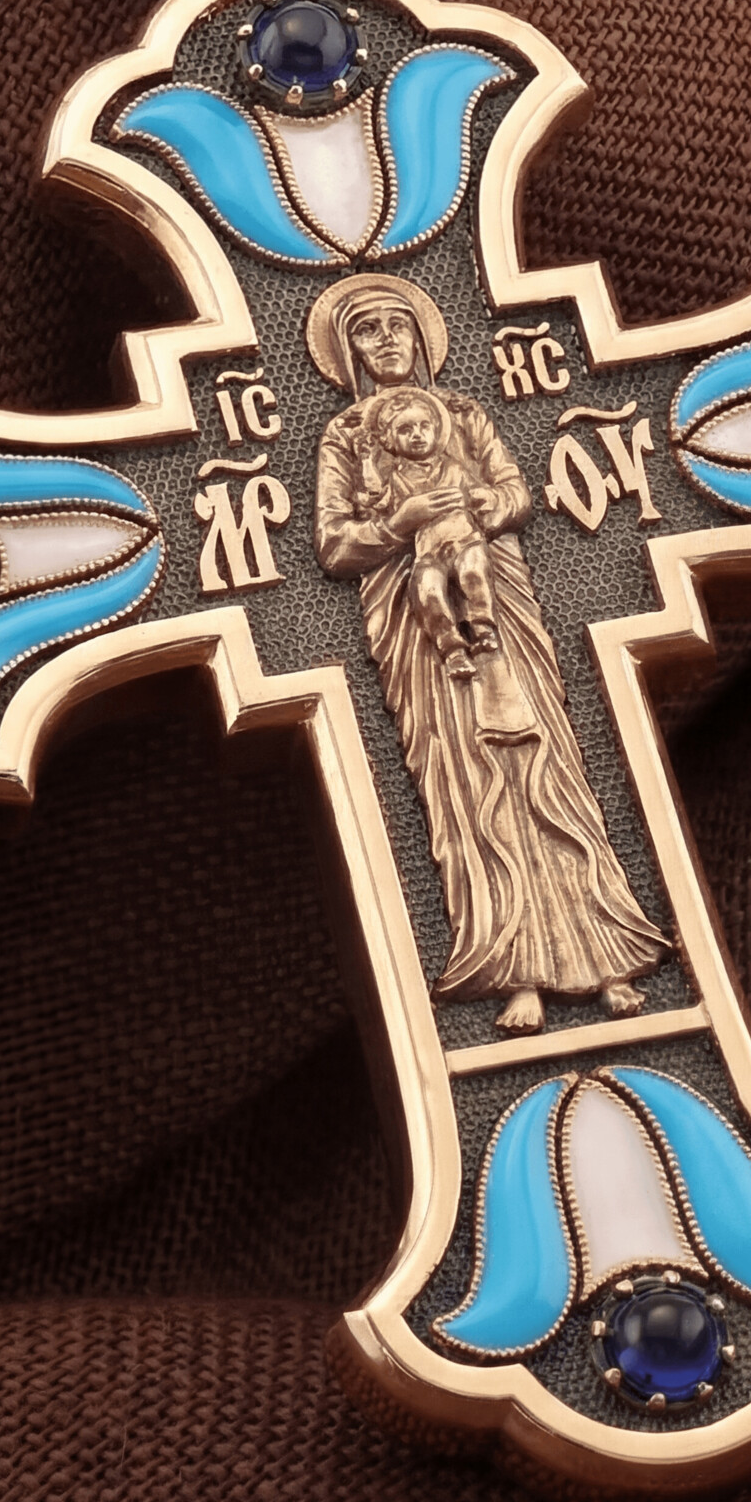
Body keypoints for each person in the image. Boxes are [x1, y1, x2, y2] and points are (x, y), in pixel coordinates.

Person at [309, 275, 670, 1035]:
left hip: (498, 605)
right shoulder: (344, 436)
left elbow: (515, 495)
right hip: (419, 632)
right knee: (467, 781)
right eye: (368, 330)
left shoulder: (466, 413)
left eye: (397, 324)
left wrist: (482, 504)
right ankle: (513, 969)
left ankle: (607, 953)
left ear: (421, 334)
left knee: (545, 764)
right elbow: (335, 546)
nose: (386, 340)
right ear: (347, 350)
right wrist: (401, 522)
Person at [360, 385, 500, 676]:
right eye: (405, 429)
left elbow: (479, 493)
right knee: (428, 592)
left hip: (465, 540)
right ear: (390, 441)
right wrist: (365, 462)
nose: (417, 434)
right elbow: (378, 501)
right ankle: (452, 650)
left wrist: (477, 498)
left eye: (424, 426)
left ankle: (483, 628)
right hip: (429, 553)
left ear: (437, 431)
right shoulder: (396, 480)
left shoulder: (453, 468)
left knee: (474, 572)